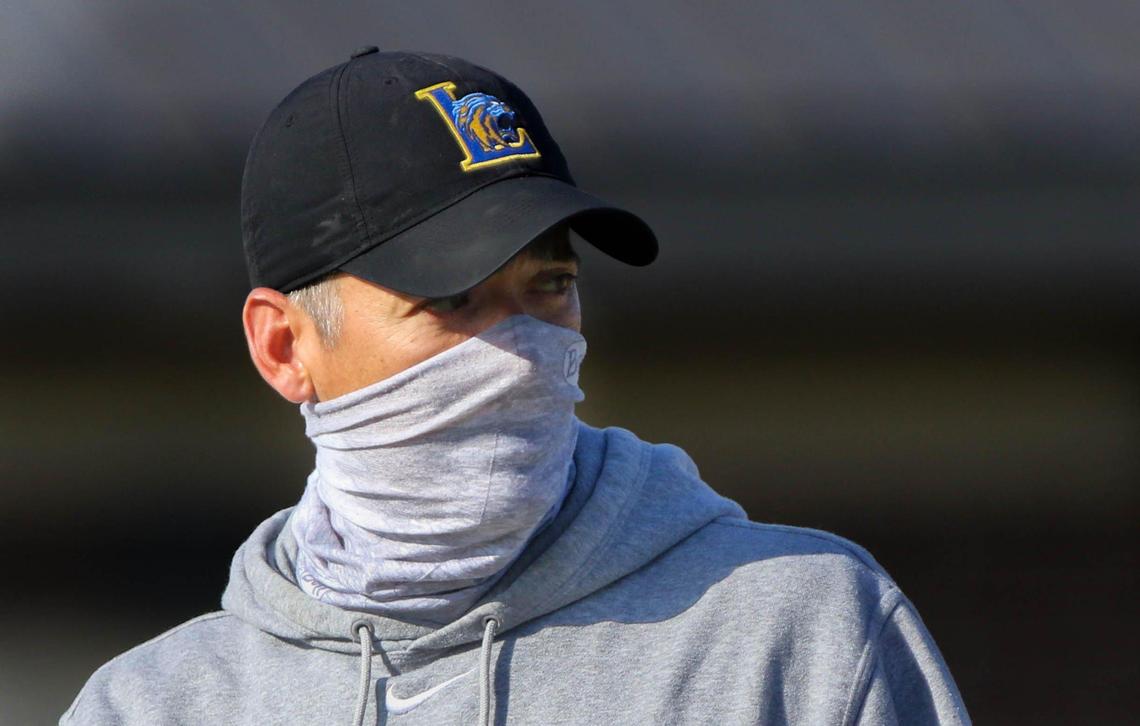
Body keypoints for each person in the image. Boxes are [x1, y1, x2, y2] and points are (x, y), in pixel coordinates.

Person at [63, 49, 970, 726]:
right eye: (451, 298)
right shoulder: (153, 707)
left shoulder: (797, 632)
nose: (518, 351)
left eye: (550, 287)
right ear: (283, 347)